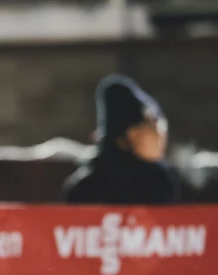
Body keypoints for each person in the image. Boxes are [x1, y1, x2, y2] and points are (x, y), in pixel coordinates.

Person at [62, 74, 180, 204]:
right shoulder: (87, 189)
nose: (159, 134)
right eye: (148, 125)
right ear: (121, 138)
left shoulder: (163, 183)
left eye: (158, 123)